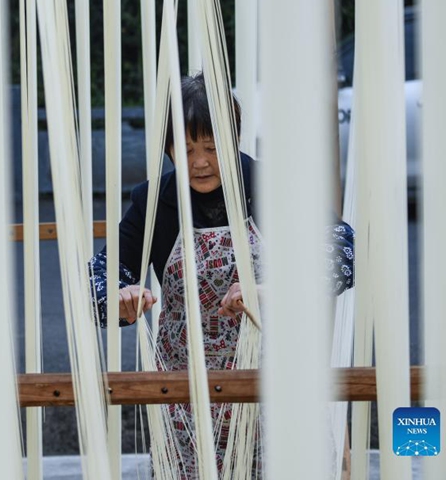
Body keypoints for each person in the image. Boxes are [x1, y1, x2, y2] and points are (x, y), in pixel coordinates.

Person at [88, 73, 355, 478]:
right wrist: (119, 299)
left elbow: (341, 251)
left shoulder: (271, 187)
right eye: (186, 147)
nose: (199, 162)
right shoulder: (154, 203)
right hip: (186, 392)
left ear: (234, 139)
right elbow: (101, 278)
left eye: (211, 147)